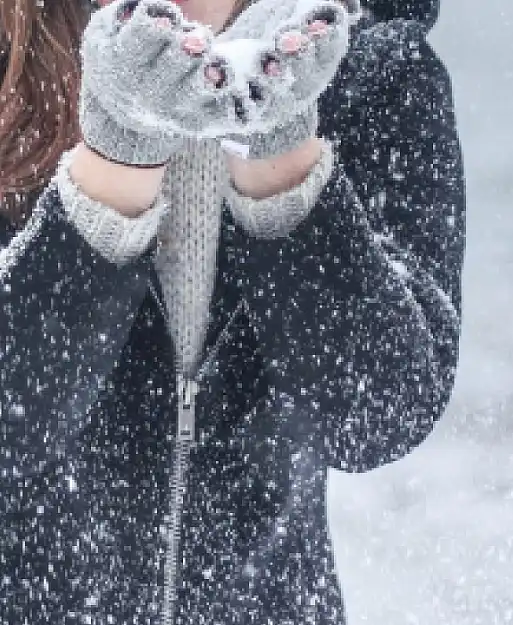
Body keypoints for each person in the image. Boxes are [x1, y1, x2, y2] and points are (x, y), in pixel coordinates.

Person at [0, 0, 464, 622]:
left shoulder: (377, 70)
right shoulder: (13, 58)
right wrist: (117, 157)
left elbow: (377, 417)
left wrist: (280, 157)